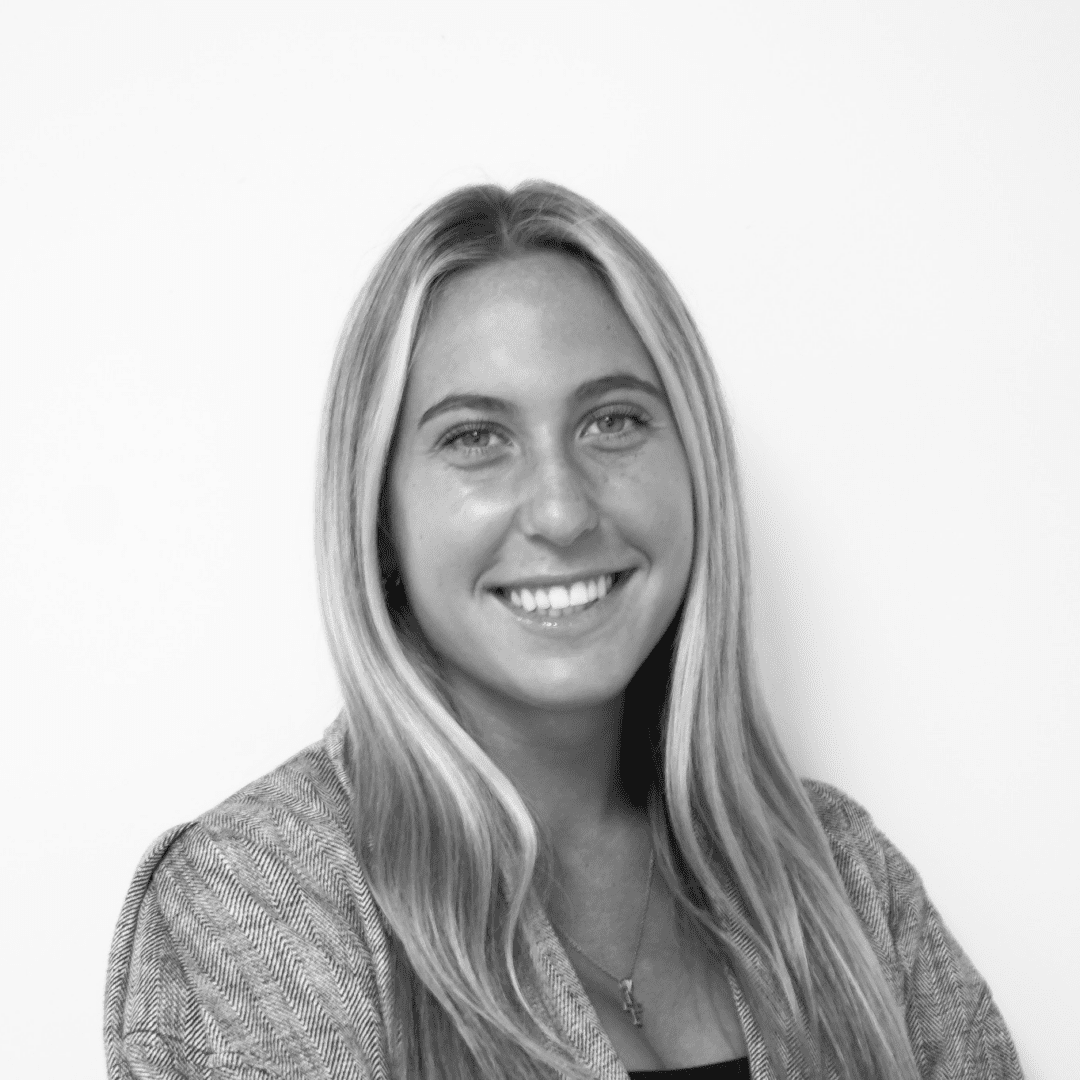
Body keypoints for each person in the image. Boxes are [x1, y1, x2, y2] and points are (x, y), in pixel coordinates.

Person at [105, 182, 1023, 1080]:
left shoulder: (843, 879)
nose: (561, 510)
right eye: (475, 437)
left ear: (694, 465)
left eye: (613, 421)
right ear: (379, 515)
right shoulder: (258, 898)